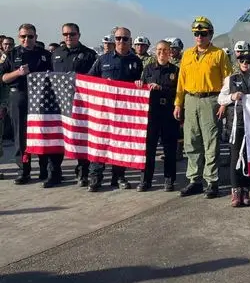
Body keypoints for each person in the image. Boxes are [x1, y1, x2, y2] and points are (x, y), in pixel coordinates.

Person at [174, 16, 231, 199]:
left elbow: (228, 80)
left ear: (210, 34)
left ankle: (212, 181)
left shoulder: (219, 54)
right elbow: (181, 81)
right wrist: (178, 103)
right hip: (190, 100)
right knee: (191, 141)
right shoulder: (188, 54)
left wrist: (223, 102)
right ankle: (194, 180)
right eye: (197, 34)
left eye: (203, 33)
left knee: (211, 141)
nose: (200, 37)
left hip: (210, 100)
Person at [87, 27, 144, 191]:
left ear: (130, 41)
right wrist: (104, 84)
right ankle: (95, 177)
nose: (121, 42)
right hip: (104, 110)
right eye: (118, 38)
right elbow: (90, 79)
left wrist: (139, 86)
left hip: (124, 112)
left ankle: (118, 177)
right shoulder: (103, 59)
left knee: (120, 144)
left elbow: (140, 84)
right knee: (100, 143)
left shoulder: (136, 61)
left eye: (125, 39)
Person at [0, 24, 52, 184]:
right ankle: (24, 170)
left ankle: (44, 170)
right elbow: (3, 78)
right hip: (19, 97)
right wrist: (18, 73)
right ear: (19, 37)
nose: (27, 39)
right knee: (20, 135)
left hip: (40, 97)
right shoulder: (11, 54)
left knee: (41, 133)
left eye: (30, 36)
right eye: (23, 36)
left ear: (36, 37)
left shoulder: (44, 54)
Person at [217, 50, 250, 207]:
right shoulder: (231, 79)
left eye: (248, 61)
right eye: (242, 61)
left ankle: (246, 188)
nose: (245, 64)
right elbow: (221, 98)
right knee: (235, 157)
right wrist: (231, 97)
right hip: (236, 123)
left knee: (249, 156)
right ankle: (235, 190)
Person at [50, 23, 98, 187]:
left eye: (72, 34)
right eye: (65, 34)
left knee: (80, 138)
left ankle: (83, 173)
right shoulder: (56, 53)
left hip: (80, 102)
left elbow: (94, 79)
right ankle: (54, 174)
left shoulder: (89, 54)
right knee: (57, 138)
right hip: (59, 103)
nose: (68, 37)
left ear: (79, 34)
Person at [136, 40, 179, 192]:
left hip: (168, 113)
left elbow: (179, 92)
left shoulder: (175, 70)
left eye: (166, 50)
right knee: (149, 149)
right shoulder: (148, 69)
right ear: (155, 51)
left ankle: (169, 180)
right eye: (159, 50)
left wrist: (161, 88)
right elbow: (141, 85)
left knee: (170, 149)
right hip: (152, 114)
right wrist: (139, 84)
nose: (162, 53)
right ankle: (145, 180)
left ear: (170, 52)